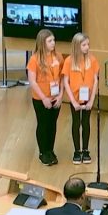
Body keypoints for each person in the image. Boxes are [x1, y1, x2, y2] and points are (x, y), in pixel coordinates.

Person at [62, 32, 99, 165]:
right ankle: (77, 150)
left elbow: (95, 80)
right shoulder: (69, 61)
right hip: (75, 98)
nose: (87, 47)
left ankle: (85, 149)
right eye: (84, 45)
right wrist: (72, 100)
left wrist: (91, 100)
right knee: (76, 123)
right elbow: (66, 81)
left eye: (88, 44)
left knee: (86, 123)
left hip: (88, 98)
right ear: (77, 46)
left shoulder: (92, 60)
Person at [27, 29, 63, 166]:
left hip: (55, 97)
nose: (53, 43)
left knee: (52, 124)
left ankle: (50, 150)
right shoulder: (34, 59)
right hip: (41, 98)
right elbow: (32, 81)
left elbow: (61, 77)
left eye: (53, 40)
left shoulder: (58, 56)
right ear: (42, 43)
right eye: (50, 41)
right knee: (43, 124)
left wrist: (60, 95)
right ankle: (43, 152)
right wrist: (43, 98)